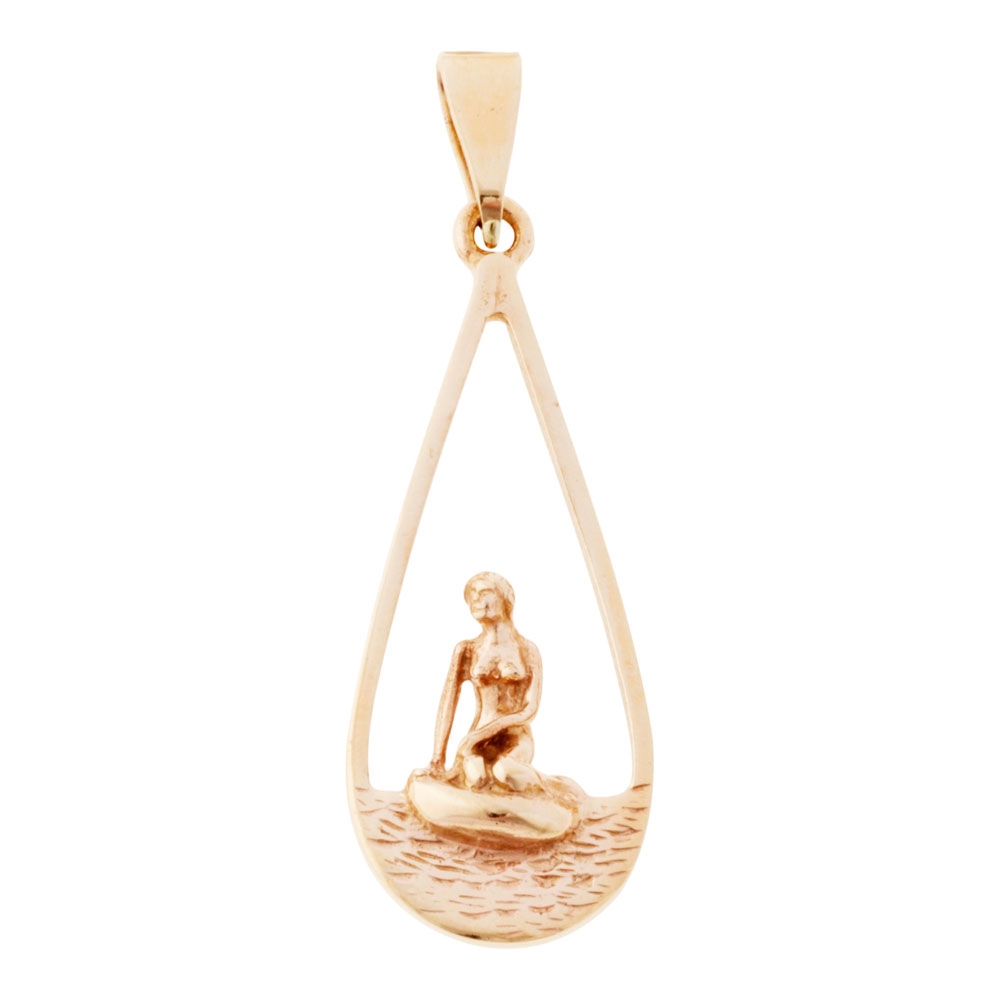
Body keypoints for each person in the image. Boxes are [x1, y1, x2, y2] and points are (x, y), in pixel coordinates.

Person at [429, 572, 542, 792]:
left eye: (484, 592)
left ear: (505, 598)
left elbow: (530, 710)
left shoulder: (527, 649)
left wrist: (486, 731)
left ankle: (550, 791)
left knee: (505, 772)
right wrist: (437, 756)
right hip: (477, 742)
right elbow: (448, 703)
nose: (476, 599)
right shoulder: (467, 649)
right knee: (476, 781)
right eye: (471, 595)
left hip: (515, 739)